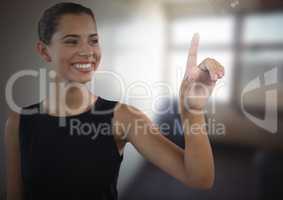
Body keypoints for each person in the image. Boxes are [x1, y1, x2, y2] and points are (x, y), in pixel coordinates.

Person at [4, 2, 224, 200]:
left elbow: (199, 178)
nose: (87, 51)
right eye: (72, 41)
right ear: (44, 51)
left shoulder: (124, 117)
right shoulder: (19, 122)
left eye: (94, 41)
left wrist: (193, 111)